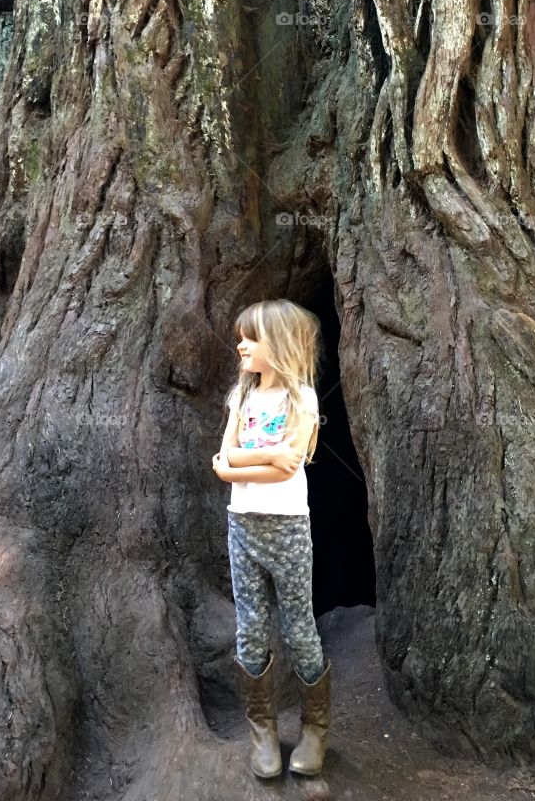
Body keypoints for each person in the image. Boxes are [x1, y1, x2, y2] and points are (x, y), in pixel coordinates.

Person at [211, 299, 332, 780]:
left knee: (301, 627)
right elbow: (224, 458)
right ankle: (262, 730)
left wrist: (240, 462)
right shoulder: (240, 398)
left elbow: (292, 464)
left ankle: (315, 729)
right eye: (241, 335)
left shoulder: (302, 398)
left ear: (278, 345)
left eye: (251, 337)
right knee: (251, 628)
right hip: (242, 524)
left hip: (287, 529)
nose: (240, 343)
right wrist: (261, 459)